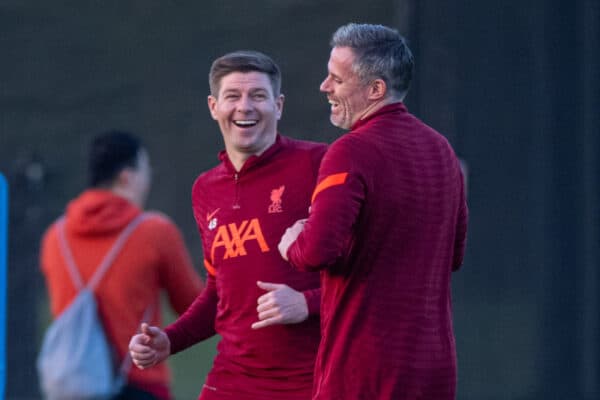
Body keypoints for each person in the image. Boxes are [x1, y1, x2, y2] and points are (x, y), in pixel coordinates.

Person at [278, 23, 469, 400]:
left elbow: (317, 250)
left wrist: (292, 242)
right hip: (435, 368)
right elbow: (455, 255)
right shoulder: (442, 151)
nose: (324, 87)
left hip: (365, 369)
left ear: (375, 89)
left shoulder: (351, 151)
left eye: (336, 78)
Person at [129, 51, 326, 400]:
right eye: (233, 96)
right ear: (213, 106)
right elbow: (221, 293)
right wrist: (169, 341)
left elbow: (372, 275)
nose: (245, 107)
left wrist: (307, 302)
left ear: (278, 106)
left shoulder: (319, 165)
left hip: (310, 382)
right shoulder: (205, 189)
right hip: (231, 380)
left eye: (258, 96)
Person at [39, 130, 204, 400]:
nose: (148, 180)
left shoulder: (55, 237)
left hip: (74, 384)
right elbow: (193, 305)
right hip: (139, 384)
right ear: (126, 177)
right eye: (146, 170)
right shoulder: (154, 232)